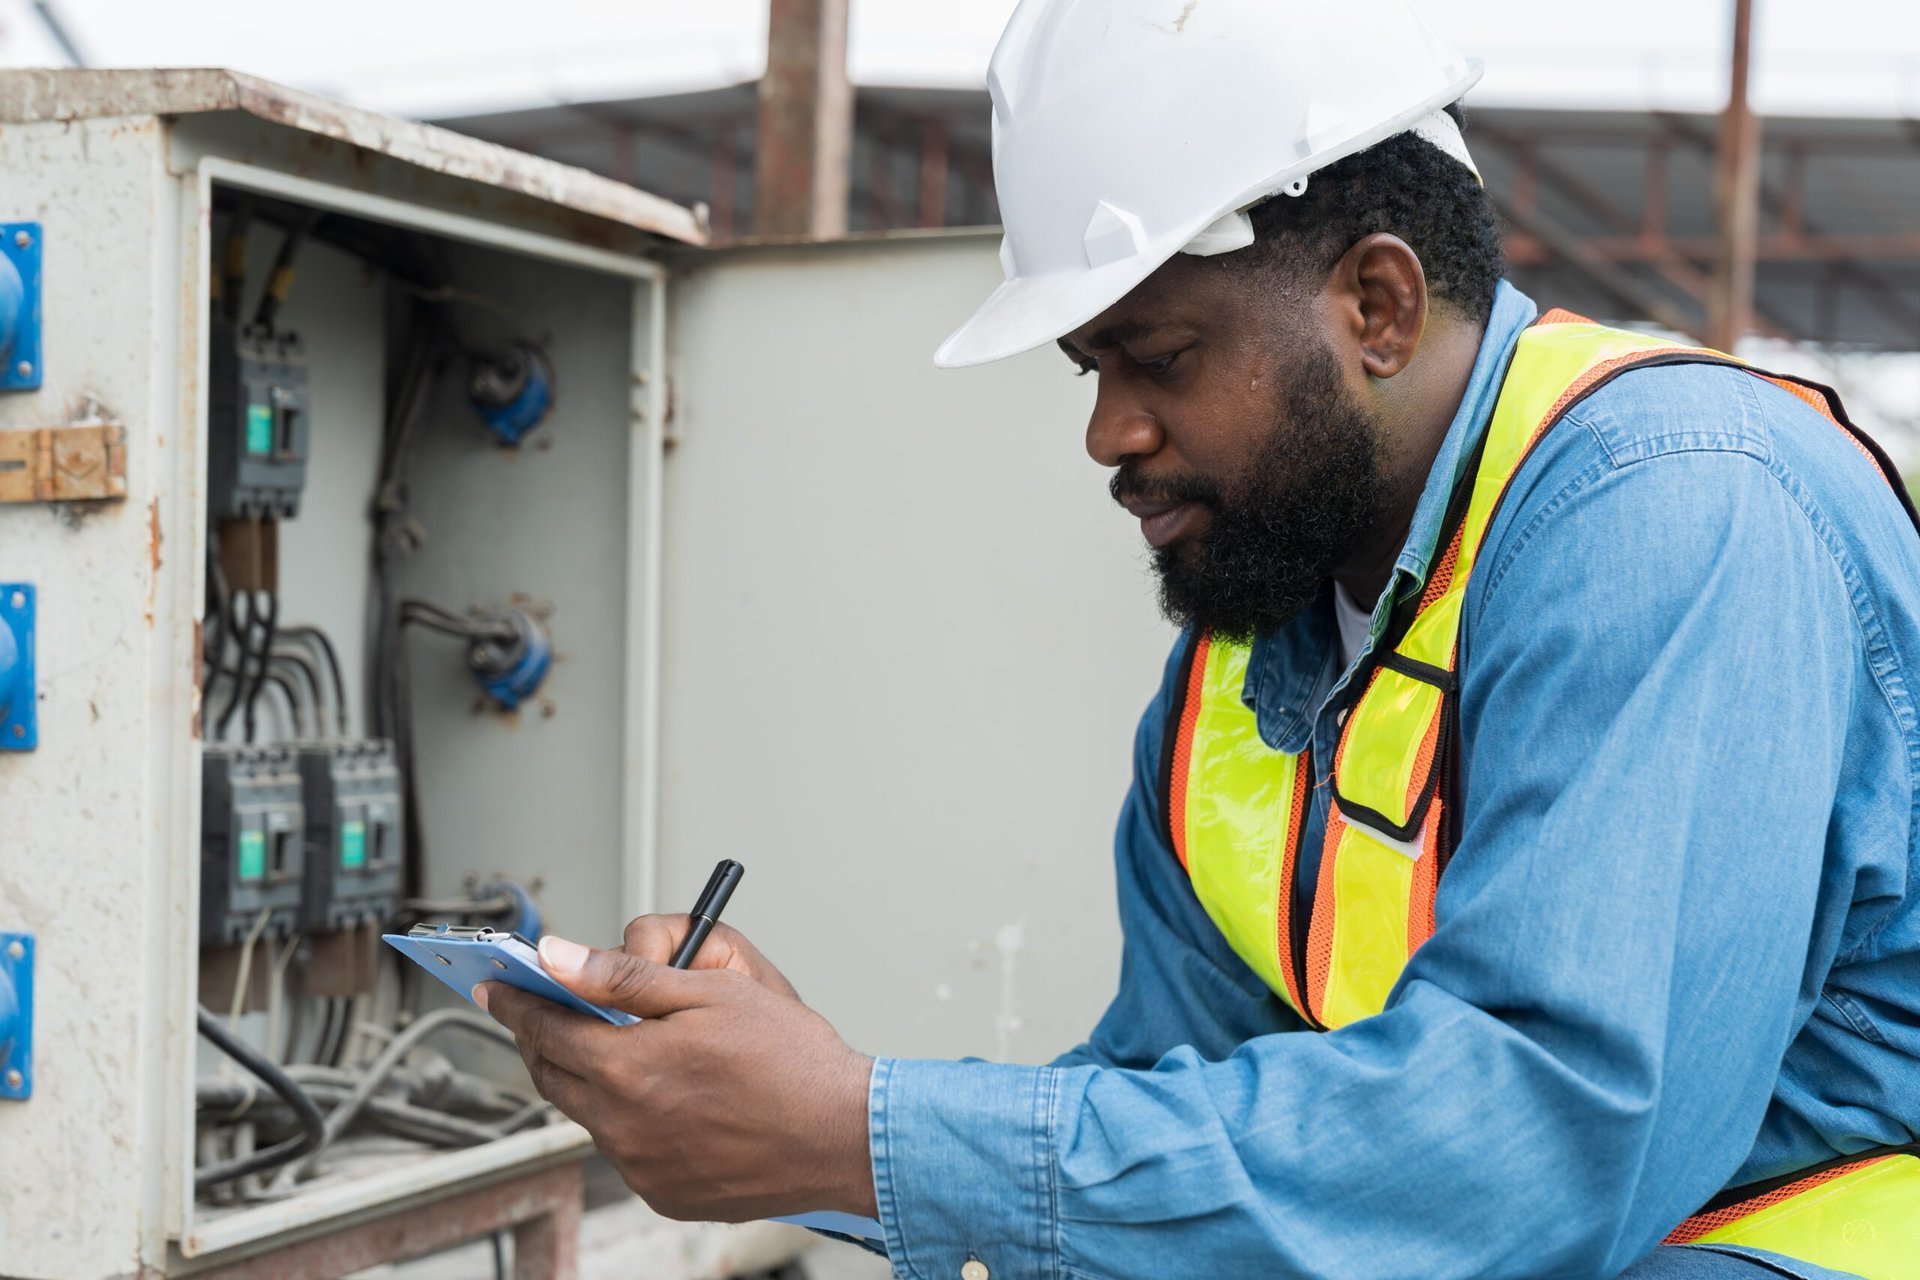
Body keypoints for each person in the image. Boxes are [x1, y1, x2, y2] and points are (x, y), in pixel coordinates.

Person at [475, 2, 1920, 1276]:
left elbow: (1541, 1153)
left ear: (1377, 304)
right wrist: (800, 1111)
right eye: (1090, 367)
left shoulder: (1673, 512)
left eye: (1158, 358)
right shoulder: (1254, 641)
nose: (1109, 433)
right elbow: (1174, 1130)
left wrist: (864, 1134)